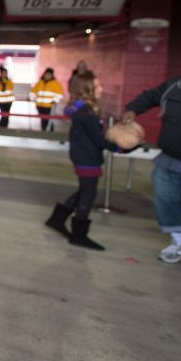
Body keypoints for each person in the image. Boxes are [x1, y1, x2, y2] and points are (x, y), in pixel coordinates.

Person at [121, 49, 181, 275]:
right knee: (164, 198)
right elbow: (150, 96)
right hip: (169, 160)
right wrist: (133, 109)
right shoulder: (176, 85)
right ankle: (179, 240)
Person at [44, 70, 126, 250]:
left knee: (84, 191)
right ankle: (79, 235)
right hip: (86, 158)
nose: (102, 89)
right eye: (98, 86)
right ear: (87, 89)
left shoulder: (83, 110)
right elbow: (98, 139)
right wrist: (120, 147)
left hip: (83, 155)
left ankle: (57, 220)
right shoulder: (86, 113)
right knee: (88, 194)